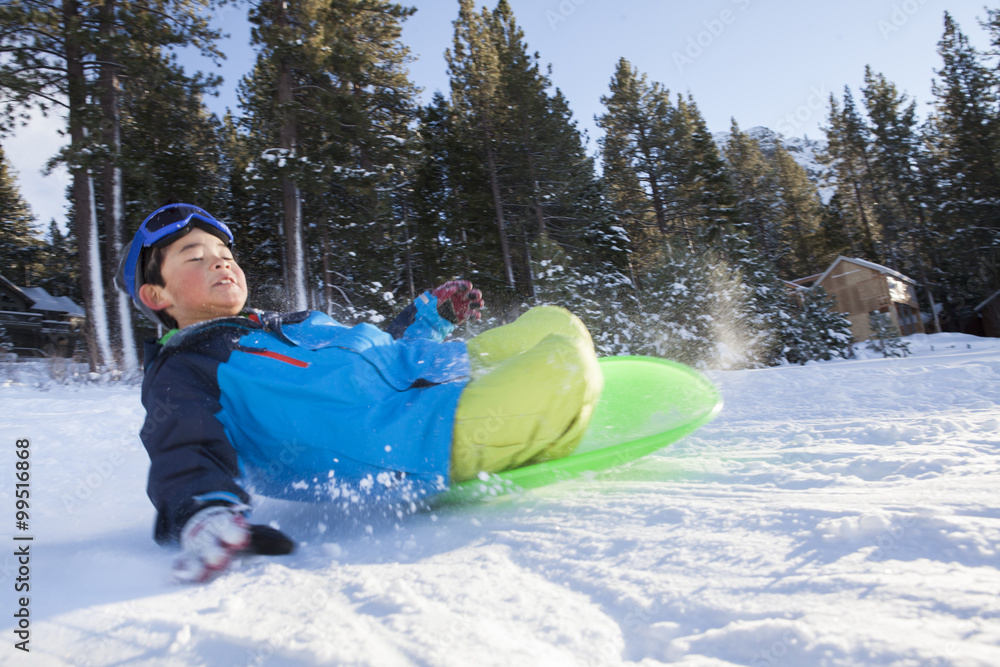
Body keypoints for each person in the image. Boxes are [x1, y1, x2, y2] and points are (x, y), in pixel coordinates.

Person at [116, 203, 602, 581]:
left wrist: (429, 319)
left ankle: (546, 384)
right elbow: (185, 446)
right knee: (566, 365)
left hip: (450, 375)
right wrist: (203, 514)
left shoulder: (291, 324)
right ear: (158, 297)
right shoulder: (186, 367)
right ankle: (553, 401)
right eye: (196, 258)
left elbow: (383, 359)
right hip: (420, 437)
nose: (221, 265)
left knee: (556, 323)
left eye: (225, 256)